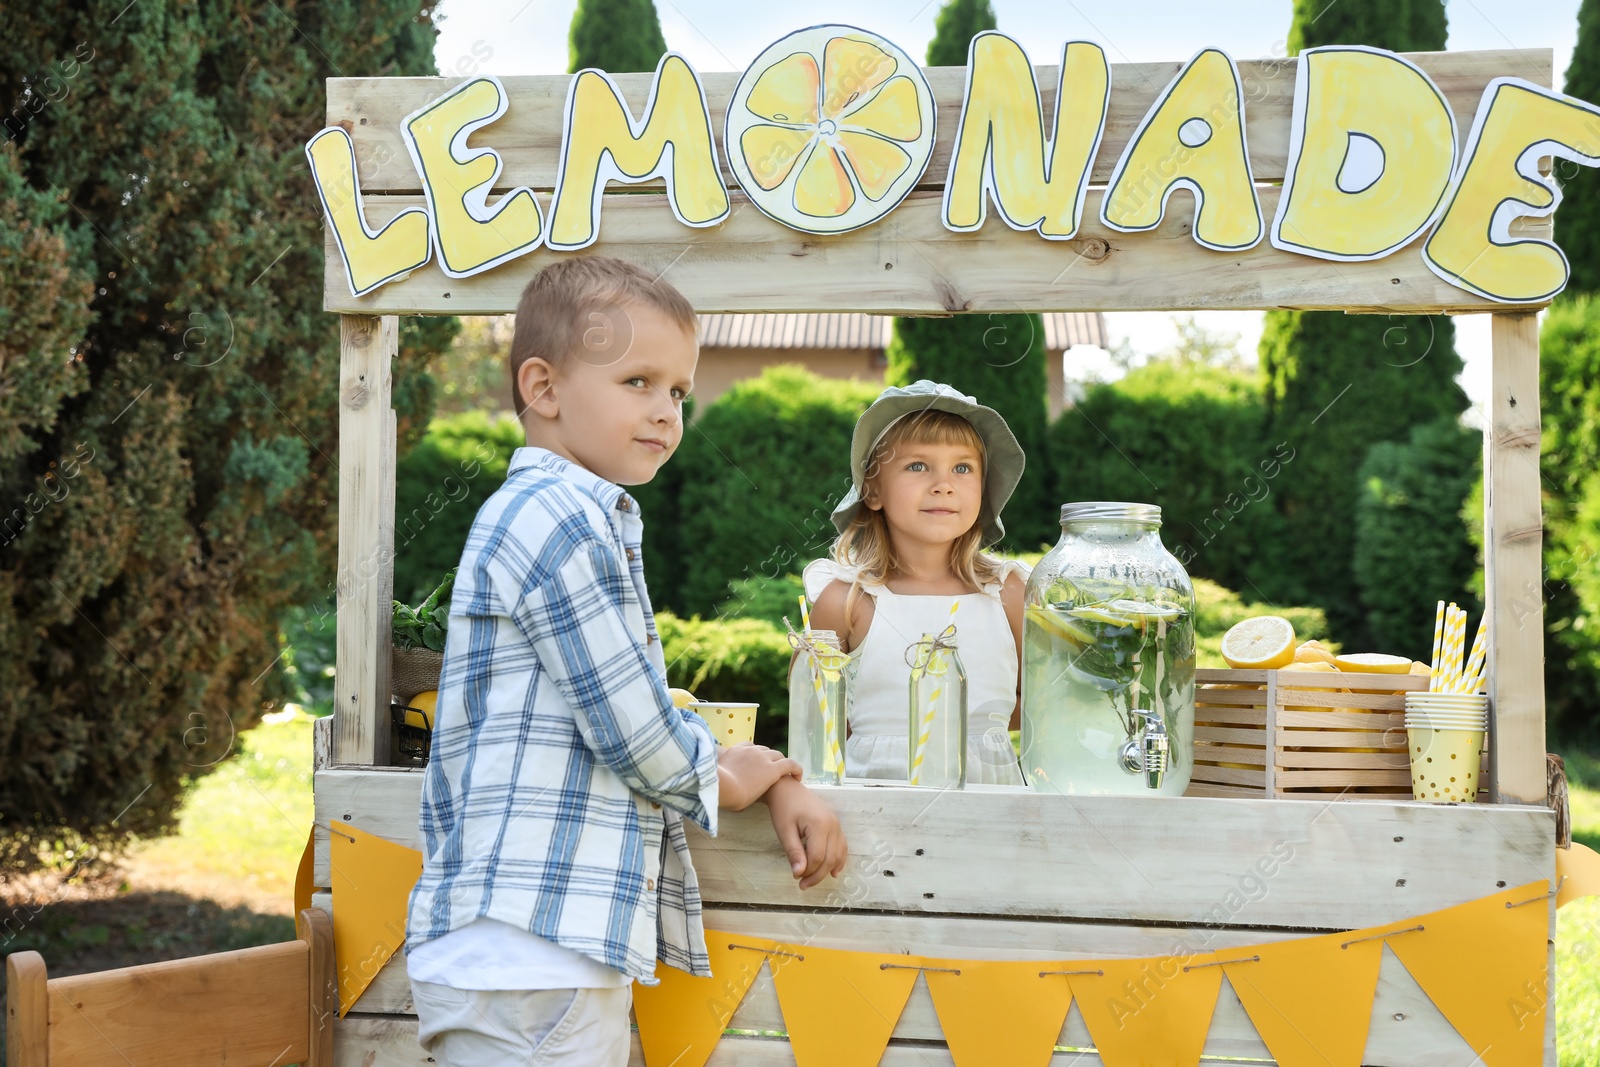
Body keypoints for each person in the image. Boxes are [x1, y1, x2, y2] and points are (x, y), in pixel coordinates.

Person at [405, 256, 848, 1067]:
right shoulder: (558, 518)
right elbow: (637, 732)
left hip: (524, 957)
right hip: (533, 953)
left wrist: (776, 771)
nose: (667, 412)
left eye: (678, 392)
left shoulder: (564, 514)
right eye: (638, 381)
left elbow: (632, 698)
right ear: (543, 388)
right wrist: (725, 776)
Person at [805, 380, 1030, 785]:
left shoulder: (1007, 593)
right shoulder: (847, 601)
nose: (943, 483)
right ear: (872, 490)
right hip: (870, 813)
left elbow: (1041, 705)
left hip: (992, 813)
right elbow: (818, 725)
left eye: (962, 468)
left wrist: (966, 726)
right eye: (917, 465)